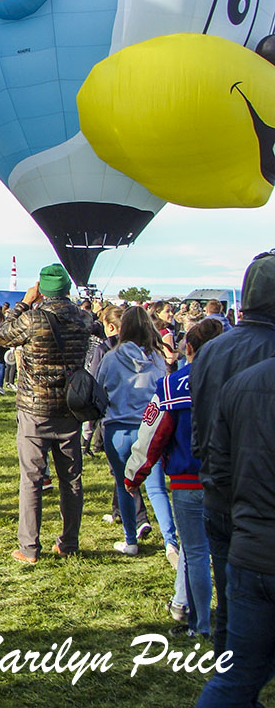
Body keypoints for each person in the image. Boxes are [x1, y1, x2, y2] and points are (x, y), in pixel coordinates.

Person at [192, 249, 275, 654]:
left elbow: (199, 416)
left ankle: (228, 665)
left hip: (216, 489)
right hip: (261, 502)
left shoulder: (211, 349)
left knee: (228, 597)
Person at [124, 318, 224, 640]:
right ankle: (230, 620)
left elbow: (152, 434)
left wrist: (134, 474)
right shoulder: (237, 381)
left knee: (194, 554)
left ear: (189, 349)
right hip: (227, 481)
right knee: (225, 552)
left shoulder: (171, 385)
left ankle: (199, 623)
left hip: (186, 481)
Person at [194, 355, 275, 707]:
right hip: (251, 543)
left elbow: (216, 467)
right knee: (238, 675)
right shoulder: (243, 383)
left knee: (238, 674)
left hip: (249, 546)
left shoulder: (241, 383)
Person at [0, 264, 91, 563]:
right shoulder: (83, 317)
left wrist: (24, 302)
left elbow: (2, 335)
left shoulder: (33, 319)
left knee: (32, 479)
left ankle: (29, 548)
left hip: (34, 408)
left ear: (43, 290)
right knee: (71, 479)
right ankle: (69, 542)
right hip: (70, 407)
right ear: (67, 289)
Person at [98, 307, 173, 559]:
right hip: (149, 429)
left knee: (124, 486)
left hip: (118, 429)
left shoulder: (111, 357)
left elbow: (99, 390)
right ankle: (171, 541)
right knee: (156, 488)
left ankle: (131, 540)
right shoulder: (158, 360)